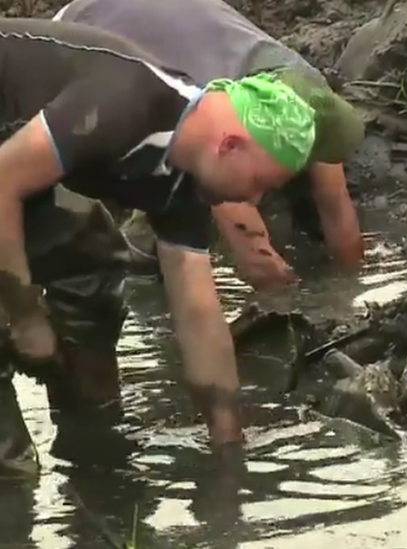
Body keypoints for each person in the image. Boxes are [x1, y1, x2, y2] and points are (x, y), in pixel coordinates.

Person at [0, 18, 318, 474]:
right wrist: (26, 317)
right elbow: (3, 184)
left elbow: (198, 314)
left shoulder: (186, 183)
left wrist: (227, 443)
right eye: (258, 183)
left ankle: (92, 437)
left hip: (13, 161)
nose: (253, 201)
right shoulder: (124, 100)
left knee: (94, 252)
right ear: (229, 144)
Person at [55, 0, 368, 290]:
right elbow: (252, 252)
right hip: (81, 34)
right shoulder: (219, 115)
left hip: (176, 23)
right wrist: (286, 298)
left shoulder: (306, 91)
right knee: (163, 208)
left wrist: (351, 286)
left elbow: (335, 202)